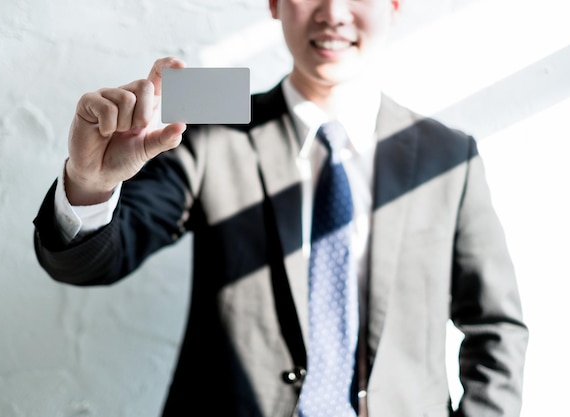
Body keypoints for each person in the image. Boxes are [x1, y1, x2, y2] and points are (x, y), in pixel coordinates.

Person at [33, 0, 528, 416]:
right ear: (273, 3)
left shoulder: (446, 155)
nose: (333, 13)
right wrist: (89, 185)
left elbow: (496, 327)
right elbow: (96, 261)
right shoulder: (209, 127)